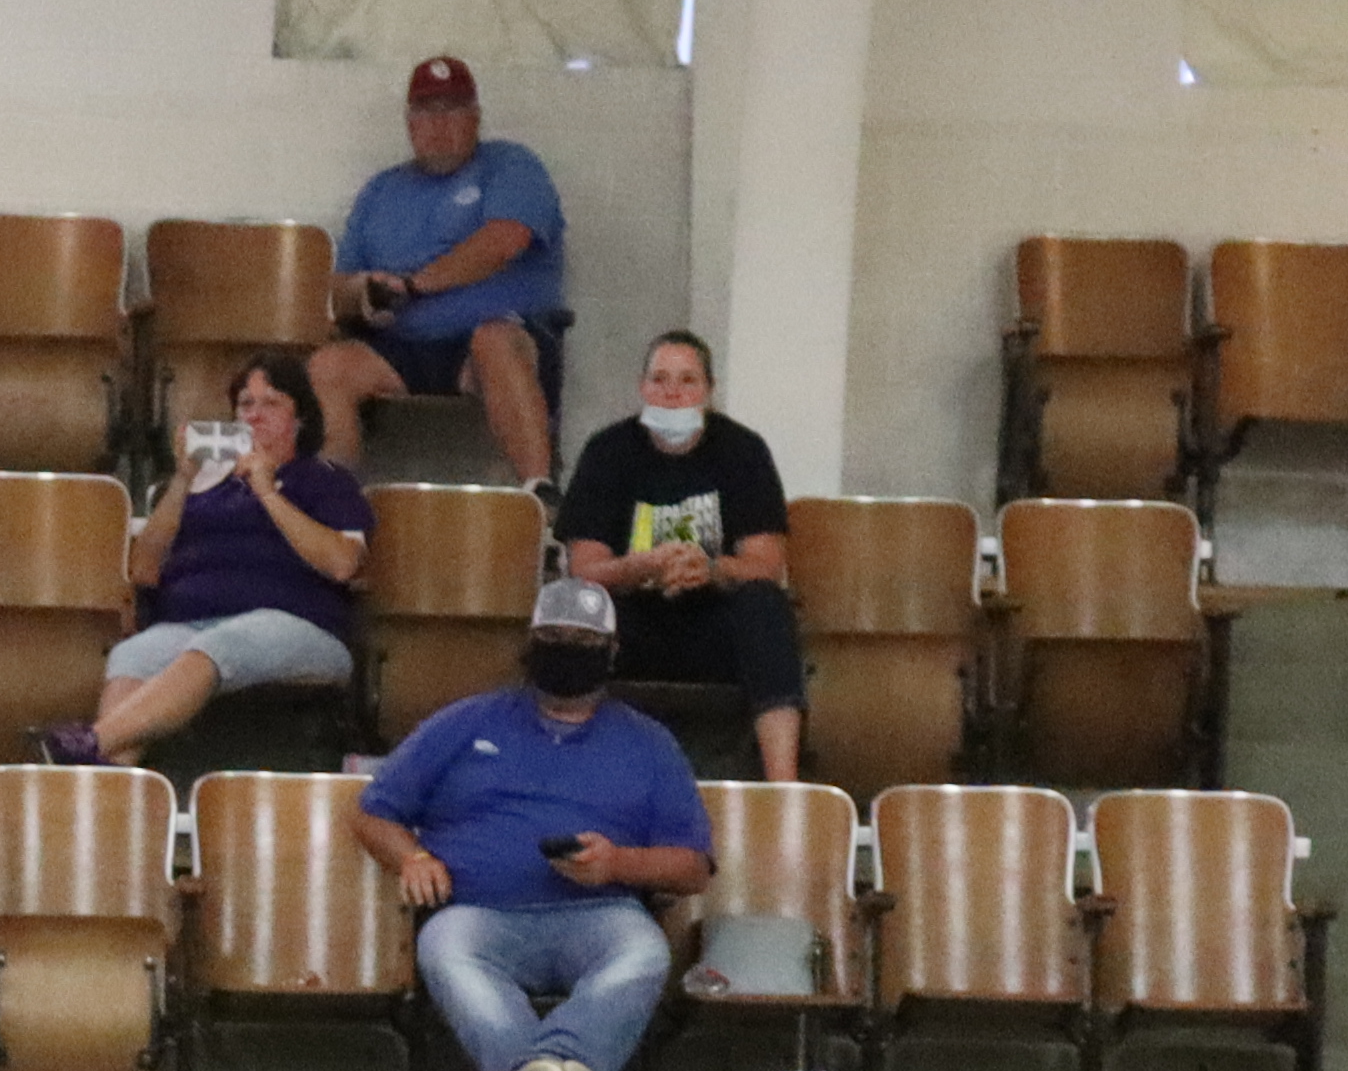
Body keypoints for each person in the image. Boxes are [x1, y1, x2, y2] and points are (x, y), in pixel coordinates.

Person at [360, 580, 710, 1071]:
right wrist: (413, 857)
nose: (567, 650)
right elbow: (372, 813)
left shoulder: (649, 742)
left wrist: (617, 862)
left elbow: (692, 868)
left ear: (612, 652)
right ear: (529, 644)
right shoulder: (466, 721)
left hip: (601, 915)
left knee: (644, 951)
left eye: (583, 641)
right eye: (554, 637)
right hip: (478, 914)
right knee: (444, 948)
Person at [41, 350, 368, 771]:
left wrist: (267, 492)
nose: (254, 415)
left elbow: (343, 564)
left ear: (299, 418)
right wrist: (182, 480)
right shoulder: (204, 484)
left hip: (300, 628)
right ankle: (112, 781)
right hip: (194, 622)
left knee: (214, 647)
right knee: (135, 654)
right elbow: (144, 568)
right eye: (246, 404)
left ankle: (94, 742)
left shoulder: (325, 480)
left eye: (271, 403)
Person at [554, 332, 804, 783]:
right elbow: (584, 568)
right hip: (632, 618)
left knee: (766, 605)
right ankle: (565, 772)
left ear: (708, 390)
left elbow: (767, 565)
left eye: (687, 380)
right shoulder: (607, 451)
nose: (672, 392)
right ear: (642, 387)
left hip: (715, 622)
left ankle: (782, 787)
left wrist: (710, 569)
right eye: (660, 379)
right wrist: (642, 566)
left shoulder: (743, 451)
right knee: (575, 609)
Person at [309, 52, 565, 492]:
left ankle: (540, 496)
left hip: (494, 339)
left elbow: (505, 239)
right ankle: (333, 503)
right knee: (327, 366)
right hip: (400, 345)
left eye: (453, 110)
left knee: (494, 340)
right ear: (410, 123)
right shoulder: (381, 190)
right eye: (426, 111)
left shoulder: (510, 165)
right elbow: (337, 287)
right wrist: (365, 293)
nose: (439, 124)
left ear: (476, 118)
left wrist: (415, 285)